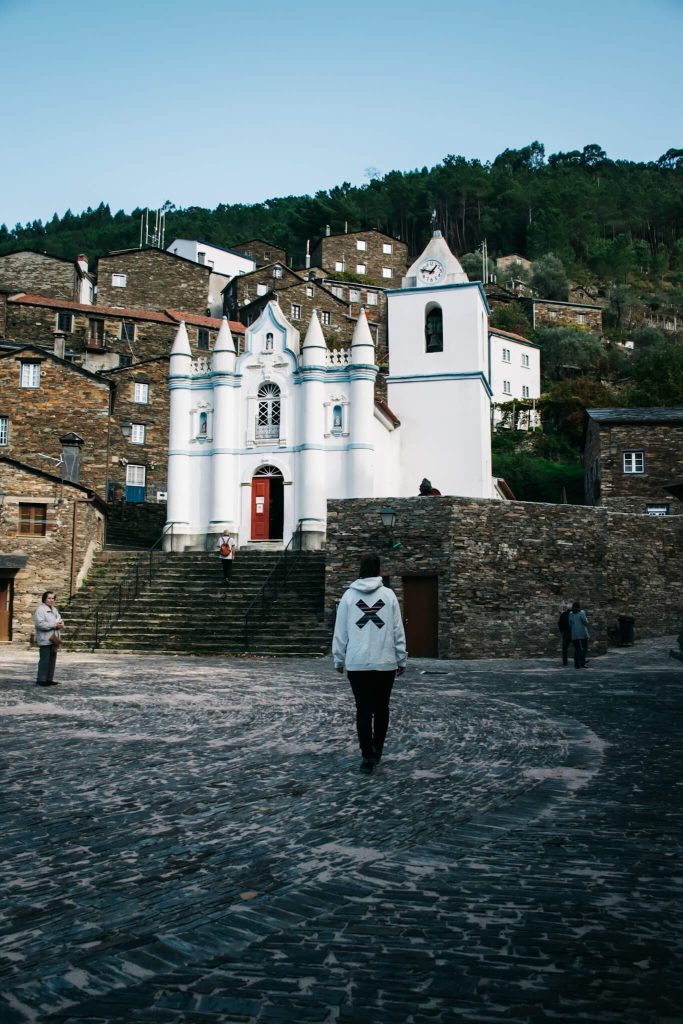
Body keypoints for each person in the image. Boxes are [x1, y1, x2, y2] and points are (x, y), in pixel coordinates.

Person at [333, 553, 407, 773]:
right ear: (378, 569)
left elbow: (341, 630)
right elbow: (397, 629)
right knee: (382, 708)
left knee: (363, 710)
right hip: (385, 662)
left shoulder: (349, 596)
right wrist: (401, 657)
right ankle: (378, 751)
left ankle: (367, 756)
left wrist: (339, 658)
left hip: (358, 663)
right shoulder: (389, 595)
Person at [34, 591, 64, 687]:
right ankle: (41, 679)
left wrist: (60, 625)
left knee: (52, 660)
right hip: (45, 638)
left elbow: (61, 621)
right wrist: (54, 625)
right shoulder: (40, 610)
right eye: (49, 598)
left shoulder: (55, 610)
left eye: (53, 598)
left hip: (54, 638)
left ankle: (49, 679)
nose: (51, 600)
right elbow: (40, 624)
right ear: (44, 599)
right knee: (44, 660)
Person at [569, 601, 589, 668]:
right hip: (582, 632)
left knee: (577, 649)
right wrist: (586, 620)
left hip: (574, 633)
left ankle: (576, 664)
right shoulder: (582, 612)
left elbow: (570, 623)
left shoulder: (571, 613)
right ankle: (582, 662)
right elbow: (585, 622)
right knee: (584, 648)